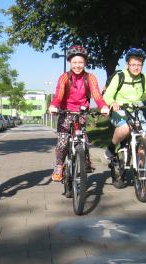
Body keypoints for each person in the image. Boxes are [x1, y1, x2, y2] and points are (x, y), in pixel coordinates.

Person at [48, 45, 110, 182]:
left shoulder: (90, 78)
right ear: (70, 62)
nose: (77, 66)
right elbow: (58, 95)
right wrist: (53, 106)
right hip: (66, 112)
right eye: (75, 62)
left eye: (81, 62)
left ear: (85, 63)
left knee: (85, 141)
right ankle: (59, 165)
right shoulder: (64, 77)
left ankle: (84, 160)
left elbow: (97, 96)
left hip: (81, 113)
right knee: (63, 142)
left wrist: (103, 106)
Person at [103, 47, 146, 160]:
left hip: (137, 111)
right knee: (125, 128)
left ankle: (142, 171)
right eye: (133, 64)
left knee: (145, 136)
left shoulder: (144, 78)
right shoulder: (119, 76)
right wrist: (113, 102)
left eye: (139, 65)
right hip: (120, 111)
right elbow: (107, 94)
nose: (136, 67)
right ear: (127, 64)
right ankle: (112, 147)